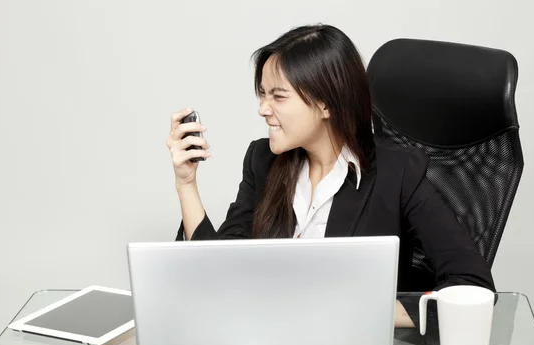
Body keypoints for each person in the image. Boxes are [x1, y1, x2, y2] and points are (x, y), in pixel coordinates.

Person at [165, 23, 495, 293]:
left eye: (278, 96)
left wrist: (374, 313)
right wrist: (186, 184)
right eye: (263, 94)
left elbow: (473, 285)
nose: (263, 109)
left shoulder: (398, 173)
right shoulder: (262, 160)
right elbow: (219, 274)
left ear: (326, 105)